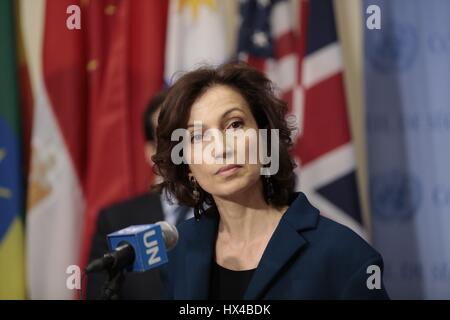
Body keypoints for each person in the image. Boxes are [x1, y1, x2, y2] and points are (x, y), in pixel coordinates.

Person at [153, 62, 390, 299]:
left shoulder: (343, 253)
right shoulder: (178, 252)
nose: (221, 149)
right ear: (187, 166)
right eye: (197, 137)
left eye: (235, 125)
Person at [86, 90, 193, 300]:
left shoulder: (233, 213)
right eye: (169, 139)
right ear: (150, 152)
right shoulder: (116, 221)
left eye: (190, 137)